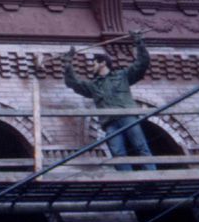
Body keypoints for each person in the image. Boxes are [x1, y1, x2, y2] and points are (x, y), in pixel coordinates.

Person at [63, 30, 154, 171]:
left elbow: (142, 64)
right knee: (117, 153)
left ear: (102, 63)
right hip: (110, 123)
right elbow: (73, 83)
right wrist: (68, 64)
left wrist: (138, 42)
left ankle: (151, 175)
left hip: (127, 116)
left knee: (140, 146)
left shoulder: (122, 76)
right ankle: (128, 180)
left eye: (94, 63)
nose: (92, 67)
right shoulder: (93, 85)